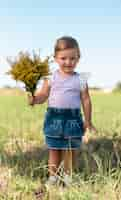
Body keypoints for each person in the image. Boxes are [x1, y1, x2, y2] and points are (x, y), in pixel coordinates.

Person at [28, 36, 96, 187]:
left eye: (73, 58)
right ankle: (53, 177)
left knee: (70, 150)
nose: (68, 62)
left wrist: (88, 120)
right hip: (54, 118)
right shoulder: (50, 77)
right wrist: (34, 99)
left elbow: (86, 100)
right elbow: (43, 95)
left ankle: (68, 177)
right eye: (63, 58)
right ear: (55, 58)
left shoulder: (81, 79)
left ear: (78, 58)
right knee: (54, 149)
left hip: (73, 119)